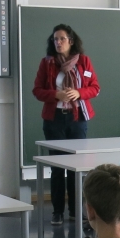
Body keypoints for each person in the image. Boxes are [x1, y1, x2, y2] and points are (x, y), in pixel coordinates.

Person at [32, 24, 101, 227]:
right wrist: (56, 94)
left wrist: (79, 93)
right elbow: (37, 90)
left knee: (76, 168)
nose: (58, 42)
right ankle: (57, 211)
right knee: (57, 167)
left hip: (77, 119)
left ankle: (75, 210)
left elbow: (95, 88)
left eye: (62, 39)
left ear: (71, 41)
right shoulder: (47, 63)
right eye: (55, 39)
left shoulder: (84, 62)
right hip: (54, 120)